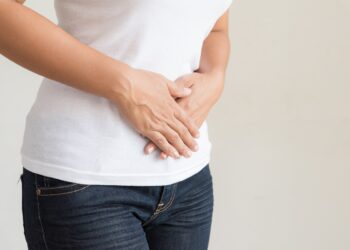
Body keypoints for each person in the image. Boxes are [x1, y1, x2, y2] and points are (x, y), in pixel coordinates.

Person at [0, 0, 232, 249]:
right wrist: (124, 86)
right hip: (87, 181)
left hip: (189, 179)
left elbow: (216, 28)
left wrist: (215, 76)